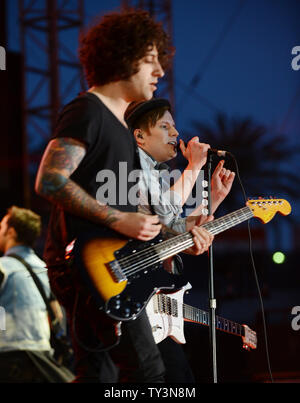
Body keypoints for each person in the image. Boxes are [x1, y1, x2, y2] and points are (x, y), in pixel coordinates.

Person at [34, 9, 214, 383]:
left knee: (101, 372)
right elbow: (50, 180)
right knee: (147, 372)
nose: (160, 72)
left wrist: (179, 235)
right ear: (123, 57)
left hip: (118, 266)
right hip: (88, 267)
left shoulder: (119, 128)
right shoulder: (88, 111)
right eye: (150, 60)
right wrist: (118, 219)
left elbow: (134, 207)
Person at [124, 98, 235, 382]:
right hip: (135, 300)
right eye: (165, 127)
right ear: (140, 135)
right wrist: (194, 167)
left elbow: (173, 227)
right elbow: (165, 211)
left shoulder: (157, 173)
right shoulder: (131, 166)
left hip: (156, 301)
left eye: (174, 127)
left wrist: (213, 202)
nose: (176, 134)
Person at [0, 206, 74, 383]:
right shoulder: (45, 269)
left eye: (1, 227)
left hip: (9, 357)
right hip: (42, 358)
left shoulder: (4, 267)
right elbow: (58, 315)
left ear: (11, 231)